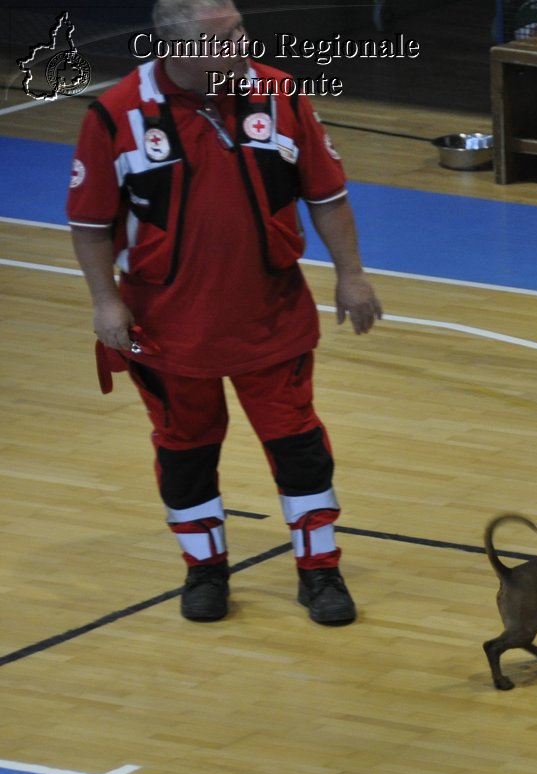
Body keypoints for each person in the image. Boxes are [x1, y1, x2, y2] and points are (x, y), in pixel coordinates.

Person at [67, 0, 382, 625]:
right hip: (166, 333)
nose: (242, 44)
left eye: (240, 29)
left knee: (300, 450)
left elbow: (327, 194)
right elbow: (90, 222)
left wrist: (351, 274)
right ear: (177, 48)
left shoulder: (281, 94)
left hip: (273, 321)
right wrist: (105, 300)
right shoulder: (115, 115)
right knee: (186, 452)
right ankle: (205, 571)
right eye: (224, 37)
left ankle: (320, 572)